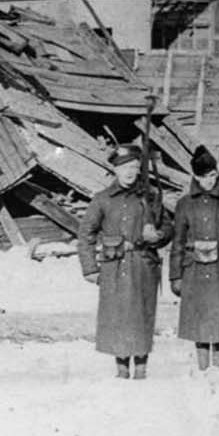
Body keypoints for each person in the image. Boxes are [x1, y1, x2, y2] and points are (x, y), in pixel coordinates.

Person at [76, 142, 173, 379]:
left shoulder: (150, 198)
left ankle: (141, 368)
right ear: (115, 170)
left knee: (141, 316)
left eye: (134, 167)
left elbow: (168, 227)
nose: (130, 172)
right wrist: (90, 268)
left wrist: (157, 235)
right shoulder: (103, 199)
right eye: (125, 167)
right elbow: (86, 233)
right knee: (118, 317)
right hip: (114, 266)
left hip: (143, 265)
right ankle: (121, 370)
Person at [169, 145, 219, 372]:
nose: (209, 181)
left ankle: (218, 369)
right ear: (195, 176)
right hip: (194, 267)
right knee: (199, 319)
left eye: (213, 175)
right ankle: (203, 369)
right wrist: (175, 275)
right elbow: (178, 242)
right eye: (204, 177)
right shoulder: (185, 204)